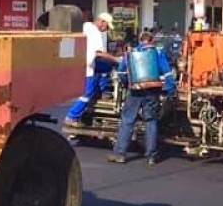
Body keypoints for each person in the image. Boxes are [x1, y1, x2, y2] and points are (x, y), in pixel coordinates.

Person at [108, 31, 175, 166]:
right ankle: (151, 156)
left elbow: (121, 72)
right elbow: (167, 72)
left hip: (135, 91)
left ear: (140, 40)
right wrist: (170, 89)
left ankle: (120, 154)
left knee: (128, 121)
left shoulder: (131, 53)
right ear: (152, 40)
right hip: (152, 91)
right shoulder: (157, 52)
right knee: (151, 121)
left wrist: (127, 84)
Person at [64, 12, 119, 126]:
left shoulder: (85, 26)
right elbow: (99, 53)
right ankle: (72, 116)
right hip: (87, 67)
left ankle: (99, 93)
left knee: (103, 71)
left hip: (80, 64)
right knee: (87, 93)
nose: (107, 29)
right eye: (107, 26)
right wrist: (117, 59)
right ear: (102, 22)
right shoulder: (95, 32)